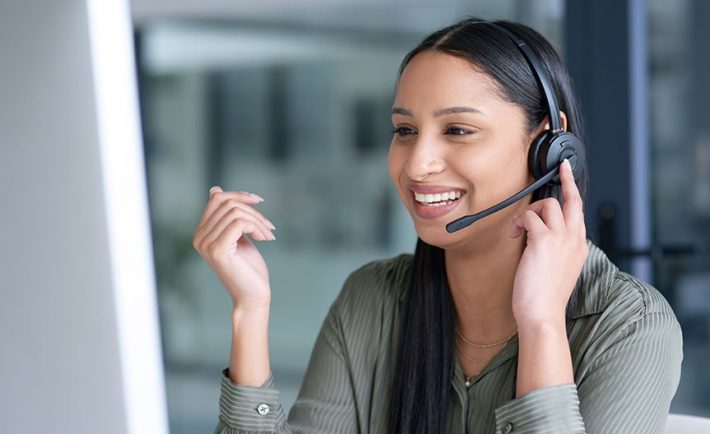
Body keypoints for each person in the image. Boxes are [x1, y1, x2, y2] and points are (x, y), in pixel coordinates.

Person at [193, 17, 682, 434]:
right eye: (405, 130)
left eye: (458, 131)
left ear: (548, 144)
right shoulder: (372, 301)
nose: (417, 165)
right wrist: (249, 313)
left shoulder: (630, 327)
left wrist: (541, 324)